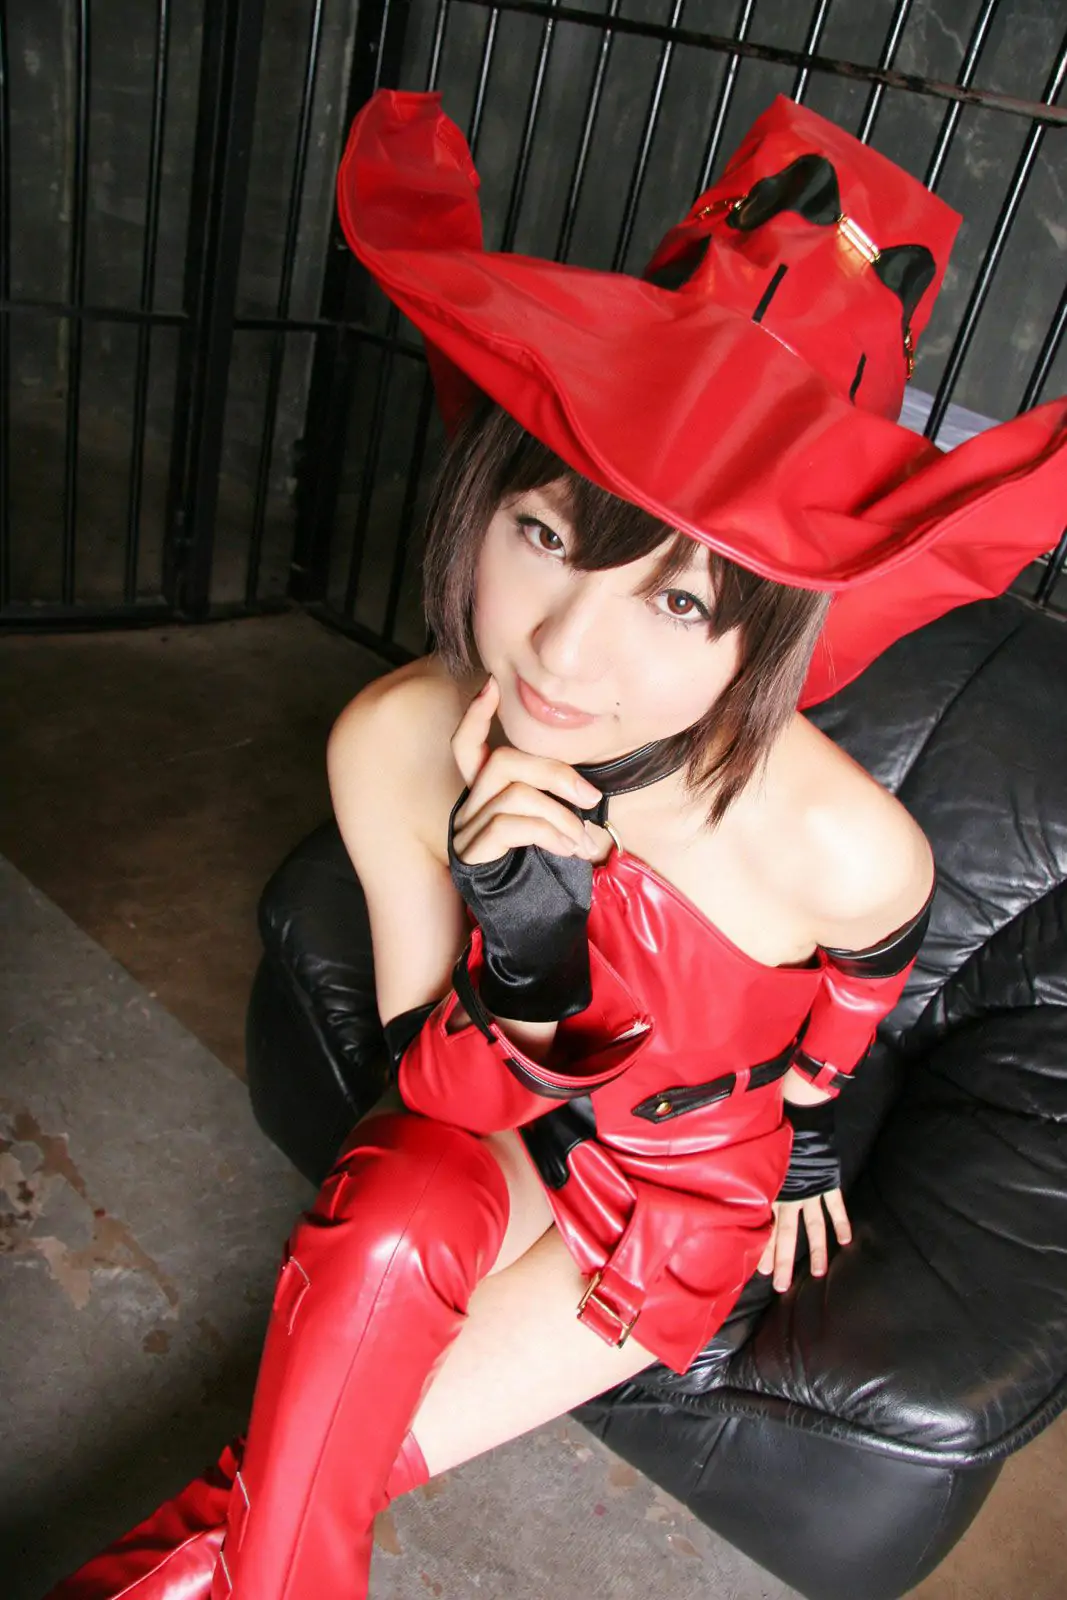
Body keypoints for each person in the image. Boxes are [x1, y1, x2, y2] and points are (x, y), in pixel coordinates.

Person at [47, 90, 1067, 1600]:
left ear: (773, 632)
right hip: (499, 1139)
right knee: (390, 1223)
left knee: (269, 1494)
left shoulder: (843, 845)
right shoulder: (394, 740)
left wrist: (802, 1123)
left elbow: (867, 971)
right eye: (543, 533)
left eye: (678, 599)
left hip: (666, 1206)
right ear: (483, 499)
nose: (564, 653)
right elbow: (426, 1094)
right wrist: (525, 962)